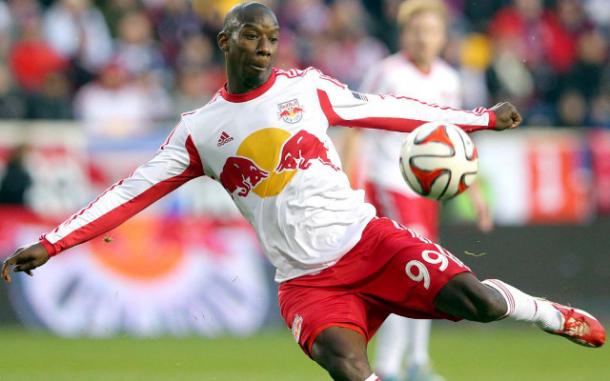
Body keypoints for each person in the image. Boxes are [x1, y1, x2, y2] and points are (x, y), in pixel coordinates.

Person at [2, 4, 604, 381]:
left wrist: (476, 119)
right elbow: (131, 192)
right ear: (225, 42)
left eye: (271, 38)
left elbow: (384, 110)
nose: (264, 47)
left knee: (480, 303)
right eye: (251, 37)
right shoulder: (199, 131)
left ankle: (552, 315)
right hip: (307, 282)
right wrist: (51, 244)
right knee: (347, 364)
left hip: (368, 240)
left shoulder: (306, 88)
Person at [344, 1, 491, 380]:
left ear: (443, 37)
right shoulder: (385, 72)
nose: (423, 37)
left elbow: (456, 141)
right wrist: (347, 180)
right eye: (416, 30)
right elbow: (354, 123)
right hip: (389, 182)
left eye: (431, 30)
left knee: (426, 271)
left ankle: (415, 360)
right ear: (404, 34)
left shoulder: (448, 79)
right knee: (413, 270)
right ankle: (396, 367)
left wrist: (474, 194)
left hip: (427, 193)